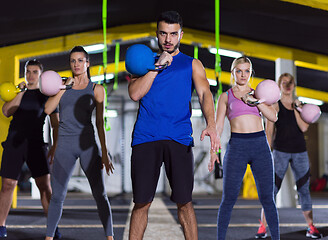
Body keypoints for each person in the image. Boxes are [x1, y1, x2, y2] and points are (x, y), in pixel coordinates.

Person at [128, 10, 219, 240]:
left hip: (178, 138)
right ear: (157, 34)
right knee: (141, 202)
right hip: (146, 138)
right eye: (163, 33)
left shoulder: (192, 64)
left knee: (185, 202)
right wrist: (157, 67)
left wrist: (212, 124)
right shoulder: (144, 62)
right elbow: (134, 94)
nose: (168, 39)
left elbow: (205, 94)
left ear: (181, 34)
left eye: (173, 34)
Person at [44, 46, 114, 240]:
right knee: (57, 196)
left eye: (80, 60)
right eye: (73, 61)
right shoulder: (61, 86)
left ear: (87, 63)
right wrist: (64, 88)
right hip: (65, 146)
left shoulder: (97, 89)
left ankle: (110, 237)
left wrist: (105, 152)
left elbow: (100, 123)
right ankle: (48, 237)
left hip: (88, 146)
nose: (76, 64)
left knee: (100, 195)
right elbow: (48, 109)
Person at [208, 56, 280, 240]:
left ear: (251, 73)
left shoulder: (259, 94)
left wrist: (256, 101)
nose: (243, 74)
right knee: (228, 199)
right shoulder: (225, 96)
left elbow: (273, 117)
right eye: (239, 71)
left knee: (268, 199)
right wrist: (213, 152)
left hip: (260, 146)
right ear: (232, 73)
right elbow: (218, 127)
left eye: (246, 71)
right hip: (237, 147)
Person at [255, 73, 322, 239]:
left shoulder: (300, 106)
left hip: (300, 152)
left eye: (290, 82)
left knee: (304, 190)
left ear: (293, 85)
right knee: (272, 190)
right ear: (279, 85)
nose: (287, 85)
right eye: (284, 82)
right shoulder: (275, 105)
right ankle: (262, 226)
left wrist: (298, 107)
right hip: (280, 152)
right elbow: (269, 132)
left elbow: (304, 128)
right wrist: (266, 153)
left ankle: (311, 227)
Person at [0, 59, 61, 238]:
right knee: (7, 185)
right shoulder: (18, 93)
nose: (31, 75)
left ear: (41, 75)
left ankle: (52, 226)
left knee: (44, 185)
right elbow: (6, 111)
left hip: (35, 144)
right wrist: (22, 91)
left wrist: (55, 146)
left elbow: (55, 125)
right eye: (28, 71)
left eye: (35, 72)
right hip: (14, 144)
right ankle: (1, 225)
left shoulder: (48, 95)